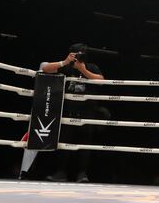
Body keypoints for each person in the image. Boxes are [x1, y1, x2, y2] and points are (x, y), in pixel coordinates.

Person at [20, 43, 107, 182]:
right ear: (70, 54)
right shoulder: (66, 67)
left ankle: (82, 174)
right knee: (63, 143)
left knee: (84, 145)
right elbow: (45, 69)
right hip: (66, 111)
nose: (79, 56)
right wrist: (64, 62)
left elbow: (102, 81)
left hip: (87, 112)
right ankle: (60, 173)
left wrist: (83, 70)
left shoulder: (91, 67)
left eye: (81, 54)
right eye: (76, 54)